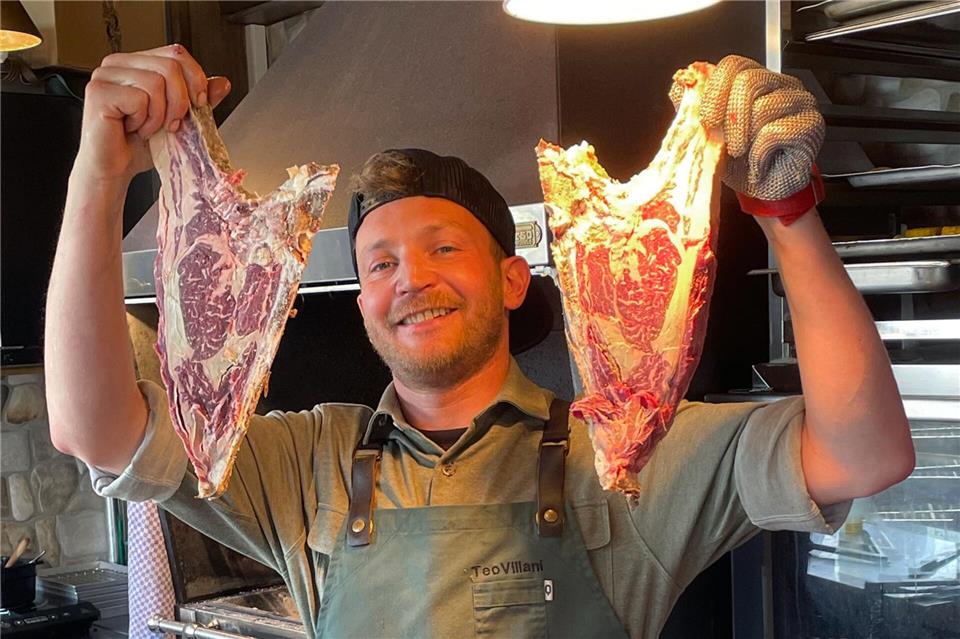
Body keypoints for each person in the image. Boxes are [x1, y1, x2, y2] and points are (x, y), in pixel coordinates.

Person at [46, 44, 915, 638]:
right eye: (380, 262)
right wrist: (97, 171)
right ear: (363, 304)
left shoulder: (627, 451)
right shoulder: (306, 460)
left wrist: (788, 218)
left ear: (510, 280)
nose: (410, 277)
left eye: (444, 247)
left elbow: (865, 452)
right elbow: (96, 431)